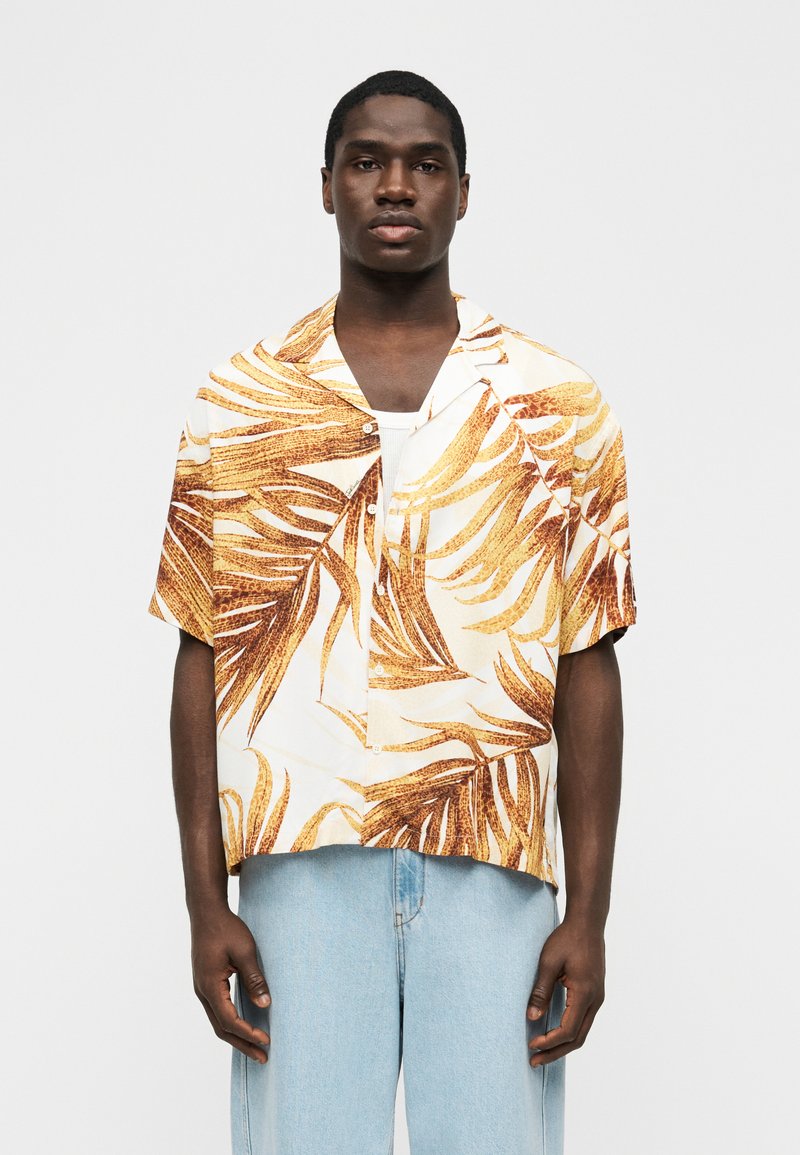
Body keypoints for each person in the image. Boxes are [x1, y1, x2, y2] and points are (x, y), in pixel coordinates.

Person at [147, 69, 637, 1155]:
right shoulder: (240, 402)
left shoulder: (556, 405)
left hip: (493, 870)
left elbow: (588, 660)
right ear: (326, 186)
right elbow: (199, 654)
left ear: (464, 191)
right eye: (367, 161)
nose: (396, 186)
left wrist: (588, 914)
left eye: (426, 164)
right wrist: (205, 903)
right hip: (299, 872)